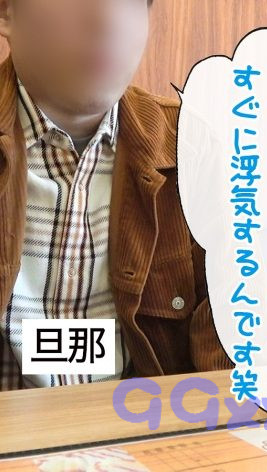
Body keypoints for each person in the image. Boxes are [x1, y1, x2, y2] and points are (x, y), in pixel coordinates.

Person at [0, 0, 233, 391]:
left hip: (147, 424)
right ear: (7, 12)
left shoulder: (190, 149)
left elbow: (230, 357)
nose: (107, 19)